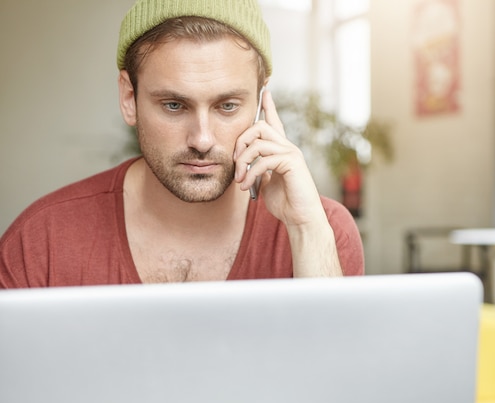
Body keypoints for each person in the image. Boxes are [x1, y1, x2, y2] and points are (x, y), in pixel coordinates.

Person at [0, 0, 364, 288]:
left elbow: (341, 378)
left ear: (261, 101)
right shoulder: (39, 242)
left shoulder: (322, 229)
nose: (202, 140)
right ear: (129, 98)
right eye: (174, 105)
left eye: (227, 106)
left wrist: (305, 230)